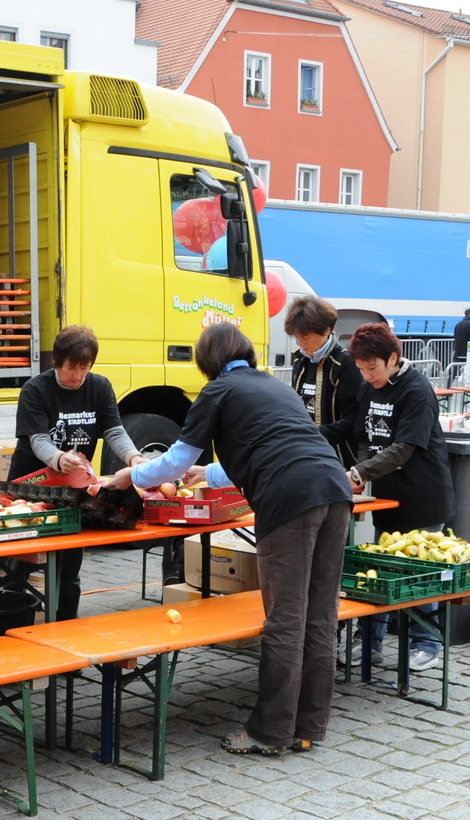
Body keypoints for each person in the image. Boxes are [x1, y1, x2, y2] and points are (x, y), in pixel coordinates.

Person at [108, 323, 352, 757]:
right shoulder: (273, 387)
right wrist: (212, 474)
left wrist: (133, 474)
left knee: (285, 619)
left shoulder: (218, 391)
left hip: (289, 499)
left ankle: (270, 732)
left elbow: (178, 459)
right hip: (333, 489)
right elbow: (272, 447)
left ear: (208, 363)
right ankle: (309, 726)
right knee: (319, 615)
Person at [321, 324, 454, 673]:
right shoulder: (369, 389)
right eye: (362, 369)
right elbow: (364, 435)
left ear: (393, 358)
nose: (367, 376)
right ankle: (370, 642)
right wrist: (363, 468)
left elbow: (404, 448)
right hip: (386, 498)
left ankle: (427, 643)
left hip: (422, 495)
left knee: (415, 574)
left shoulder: (416, 390)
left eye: (373, 368)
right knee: (378, 573)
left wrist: (359, 473)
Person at [7, 326, 143, 621]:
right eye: (72, 367)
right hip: (32, 489)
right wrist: (57, 458)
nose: (78, 375)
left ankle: (66, 632)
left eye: (85, 368)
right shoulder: (35, 389)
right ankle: (10, 627)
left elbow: (114, 430)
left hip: (73, 489)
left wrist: (133, 456)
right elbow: (38, 440)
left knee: (69, 567)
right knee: (21, 563)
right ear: (57, 359)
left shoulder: (100, 387)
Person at [284, 297, 364, 464]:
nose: (301, 343)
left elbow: (354, 420)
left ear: (327, 331)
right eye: (297, 337)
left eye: (306, 337)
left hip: (340, 458)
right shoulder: (300, 359)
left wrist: (310, 434)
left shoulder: (346, 363)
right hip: (308, 452)